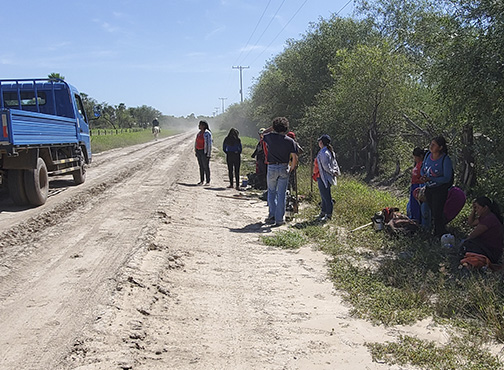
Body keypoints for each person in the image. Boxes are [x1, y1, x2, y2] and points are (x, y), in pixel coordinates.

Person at [262, 117, 298, 226]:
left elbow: (263, 133)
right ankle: (279, 219)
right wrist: (291, 168)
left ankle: (271, 215)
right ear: (286, 128)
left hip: (272, 167)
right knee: (282, 194)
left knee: (271, 191)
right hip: (284, 167)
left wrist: (272, 128)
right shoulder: (290, 141)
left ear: (275, 127)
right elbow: (295, 157)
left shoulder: (270, 137)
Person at [420, 136, 454, 236]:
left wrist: (431, 179)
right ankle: (438, 230)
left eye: (434, 145)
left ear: (440, 147)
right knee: (433, 211)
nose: (431, 146)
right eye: (431, 144)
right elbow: (423, 168)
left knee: (437, 212)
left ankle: (439, 234)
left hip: (440, 190)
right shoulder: (427, 156)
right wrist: (423, 176)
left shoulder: (445, 159)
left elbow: (447, 177)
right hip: (429, 188)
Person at [459, 196, 503, 265]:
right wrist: (473, 210)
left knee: (467, 243)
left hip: (491, 252)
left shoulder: (489, 219)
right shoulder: (485, 217)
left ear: (485, 208)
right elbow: (471, 223)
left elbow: (472, 236)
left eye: (478, 208)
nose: (476, 210)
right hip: (487, 248)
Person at [312, 134, 340, 221]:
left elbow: (326, 166)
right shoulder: (327, 151)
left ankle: (328, 215)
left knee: (327, 197)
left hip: (324, 177)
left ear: (321, 142)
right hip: (322, 176)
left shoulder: (324, 153)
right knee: (323, 196)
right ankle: (323, 212)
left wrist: (332, 172)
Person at [408, 147, 426, 224]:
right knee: (413, 204)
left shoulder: (423, 165)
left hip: (418, 186)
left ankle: (418, 220)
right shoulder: (418, 164)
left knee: (417, 205)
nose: (415, 159)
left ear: (421, 156)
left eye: (416, 157)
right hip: (413, 185)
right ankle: (413, 218)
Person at [194, 120, 212, 185]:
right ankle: (201, 180)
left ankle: (208, 181)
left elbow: (209, 144)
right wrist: (196, 150)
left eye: (200, 125)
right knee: (201, 166)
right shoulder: (199, 133)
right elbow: (196, 142)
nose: (199, 126)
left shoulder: (207, 134)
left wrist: (208, 153)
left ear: (204, 126)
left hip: (204, 152)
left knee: (206, 166)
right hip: (199, 151)